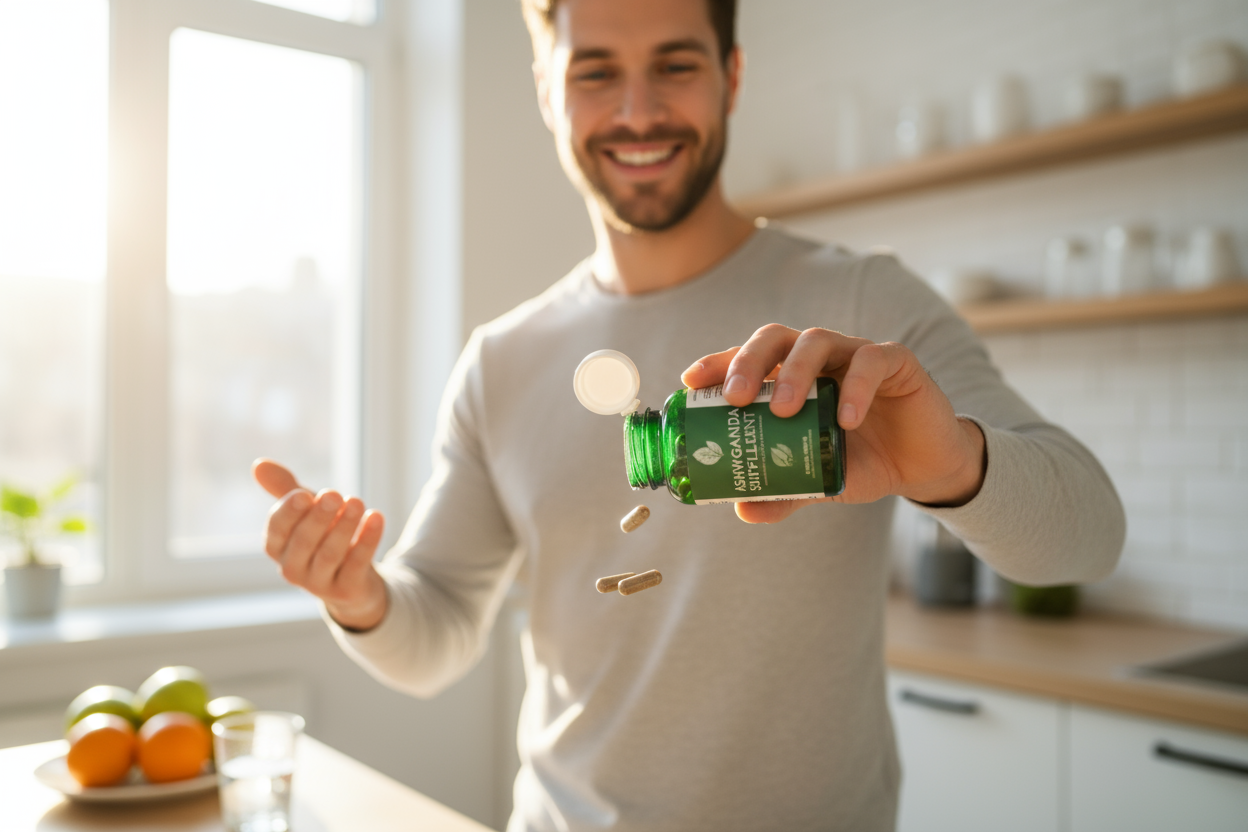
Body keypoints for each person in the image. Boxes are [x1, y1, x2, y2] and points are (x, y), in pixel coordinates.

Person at [254, 0, 1126, 829]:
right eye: (596, 72)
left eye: (674, 65)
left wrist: (952, 467)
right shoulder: (500, 361)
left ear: (731, 77)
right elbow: (434, 634)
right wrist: (361, 597)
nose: (638, 112)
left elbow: (1088, 537)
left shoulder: (865, 303)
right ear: (548, 90)